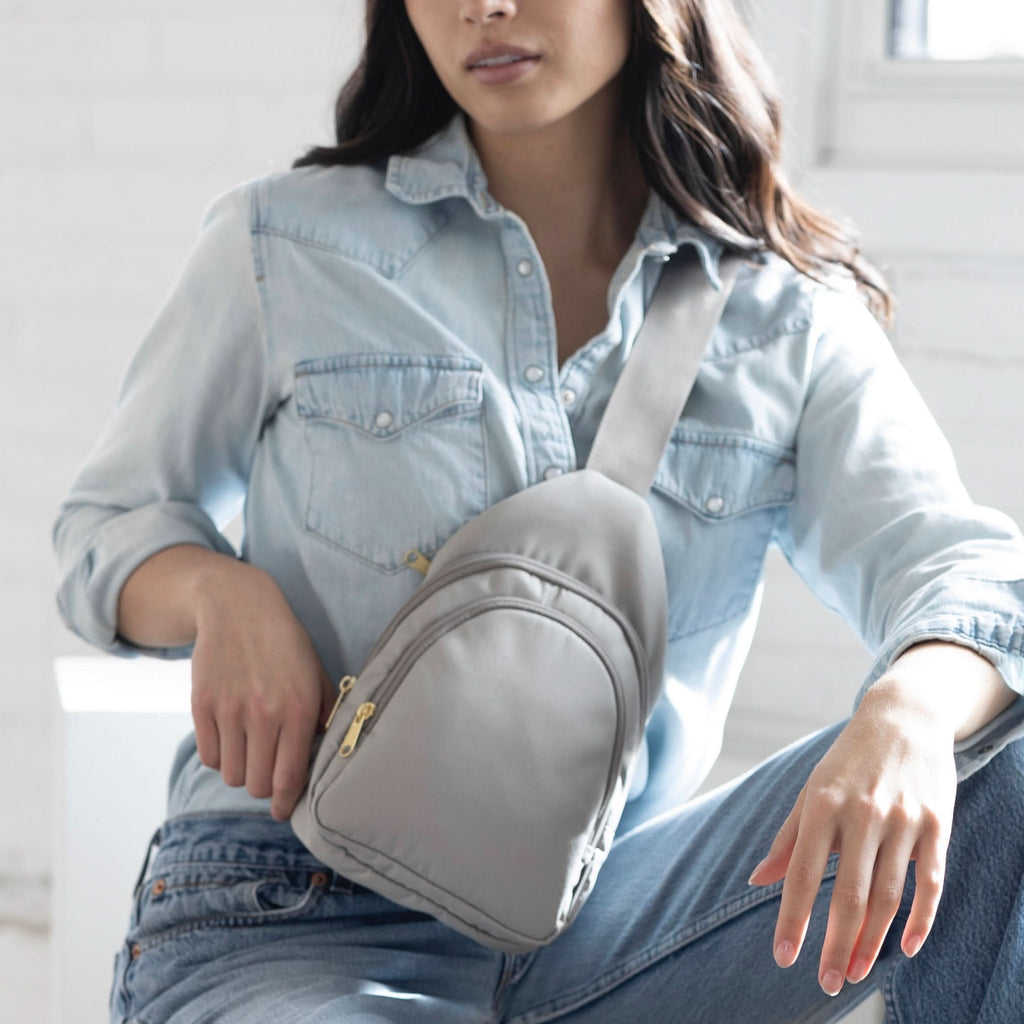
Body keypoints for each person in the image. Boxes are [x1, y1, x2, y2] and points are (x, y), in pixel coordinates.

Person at [53, 1, 1024, 1021]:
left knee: (995, 771)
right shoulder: (286, 243)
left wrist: (907, 709)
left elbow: (967, 573)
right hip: (294, 915)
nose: (483, 7)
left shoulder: (783, 320)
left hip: (600, 924)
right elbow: (105, 528)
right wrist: (218, 590)